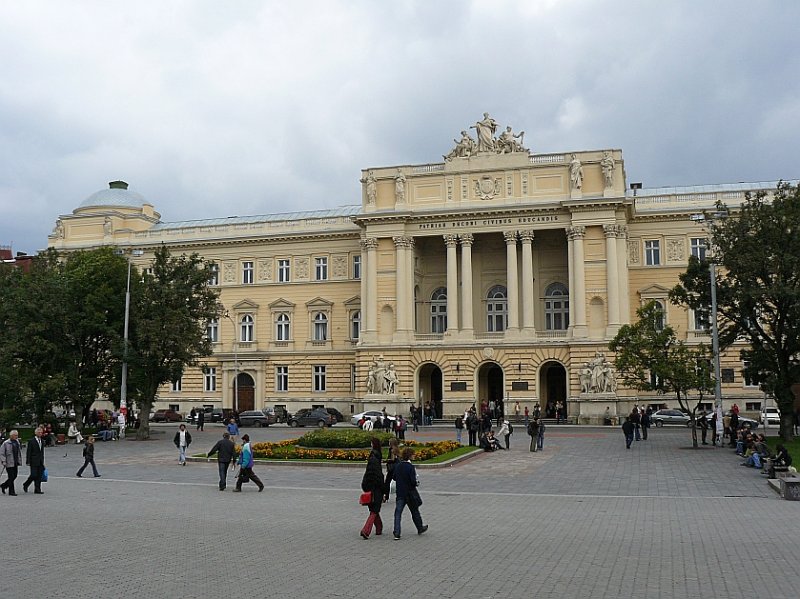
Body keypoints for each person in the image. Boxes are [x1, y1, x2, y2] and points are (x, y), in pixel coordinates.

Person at [391, 447, 427, 540]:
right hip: (410, 493)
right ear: (410, 456)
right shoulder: (410, 467)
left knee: (398, 513)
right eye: (413, 454)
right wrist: (416, 483)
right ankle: (420, 528)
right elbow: (413, 481)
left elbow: (394, 477)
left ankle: (397, 532)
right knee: (414, 510)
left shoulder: (398, 466)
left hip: (400, 493)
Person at [360, 437, 385, 539]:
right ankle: (378, 528)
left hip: (374, 487)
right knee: (374, 509)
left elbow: (373, 475)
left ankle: (366, 530)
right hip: (376, 488)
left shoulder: (373, 458)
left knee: (374, 510)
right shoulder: (376, 457)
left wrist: (365, 485)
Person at [23, 426, 46, 494]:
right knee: (33, 475)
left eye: (41, 432)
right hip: (33, 460)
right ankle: (26, 484)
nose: (40, 433)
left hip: (40, 460)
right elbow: (29, 451)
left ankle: (37, 489)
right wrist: (28, 461)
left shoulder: (42, 441)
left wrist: (42, 460)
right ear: (36, 433)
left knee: (39, 475)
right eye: (39, 432)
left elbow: (42, 451)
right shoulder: (31, 441)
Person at [0, 430, 22, 495]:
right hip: (8, 462)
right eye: (15, 435)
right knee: (11, 476)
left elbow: (18, 452)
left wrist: (19, 460)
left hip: (15, 462)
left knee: (15, 476)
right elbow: (2, 453)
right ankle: (11, 491)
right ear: (11, 436)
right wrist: (4, 461)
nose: (17, 436)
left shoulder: (17, 442)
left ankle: (4, 485)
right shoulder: (6, 443)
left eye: (17, 435)